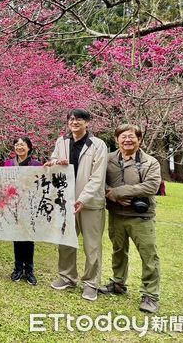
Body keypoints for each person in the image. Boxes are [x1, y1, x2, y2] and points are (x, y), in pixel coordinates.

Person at [45, 109, 107, 301]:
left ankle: (90, 283)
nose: (74, 122)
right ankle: (67, 276)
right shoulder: (62, 142)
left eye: (79, 119)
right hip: (66, 201)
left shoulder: (98, 145)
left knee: (92, 245)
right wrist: (56, 162)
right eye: (71, 119)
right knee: (65, 241)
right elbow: (52, 162)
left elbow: (98, 177)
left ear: (87, 123)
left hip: (89, 204)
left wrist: (83, 199)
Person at [100, 124, 162, 313]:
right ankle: (118, 283)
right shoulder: (108, 159)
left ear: (139, 140)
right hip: (116, 215)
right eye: (123, 136)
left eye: (131, 137)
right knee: (118, 251)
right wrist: (108, 193)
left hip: (141, 217)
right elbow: (97, 180)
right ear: (117, 139)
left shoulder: (150, 162)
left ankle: (150, 295)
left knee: (148, 256)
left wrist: (118, 192)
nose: (127, 140)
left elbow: (151, 186)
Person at [4, 136, 42, 286]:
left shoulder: (37, 164)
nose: (19, 147)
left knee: (29, 239)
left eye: (23, 145)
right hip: (14, 207)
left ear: (29, 147)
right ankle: (18, 268)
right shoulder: (8, 164)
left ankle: (29, 270)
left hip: (30, 206)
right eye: (17, 145)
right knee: (17, 238)